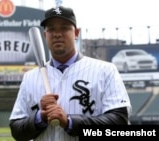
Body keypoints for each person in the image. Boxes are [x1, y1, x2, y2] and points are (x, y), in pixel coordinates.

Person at [9, 6, 132, 141]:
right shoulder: (30, 78)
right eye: (51, 29)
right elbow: (17, 130)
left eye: (64, 27)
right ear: (45, 35)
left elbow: (119, 121)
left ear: (76, 33)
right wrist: (40, 117)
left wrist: (70, 122)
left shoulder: (105, 70)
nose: (57, 34)